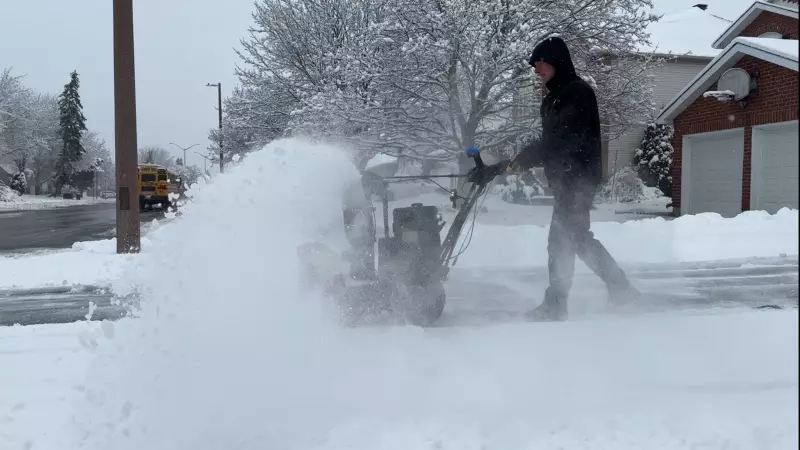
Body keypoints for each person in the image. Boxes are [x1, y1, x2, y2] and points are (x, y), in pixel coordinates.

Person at [476, 36, 640, 321]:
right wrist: (519, 160)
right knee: (574, 239)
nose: (536, 69)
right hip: (566, 180)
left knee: (567, 240)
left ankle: (566, 302)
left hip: (578, 179)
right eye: (534, 65)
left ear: (557, 61)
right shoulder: (554, 97)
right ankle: (617, 290)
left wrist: (525, 159)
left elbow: (566, 140)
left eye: (541, 63)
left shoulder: (576, 92)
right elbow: (551, 141)